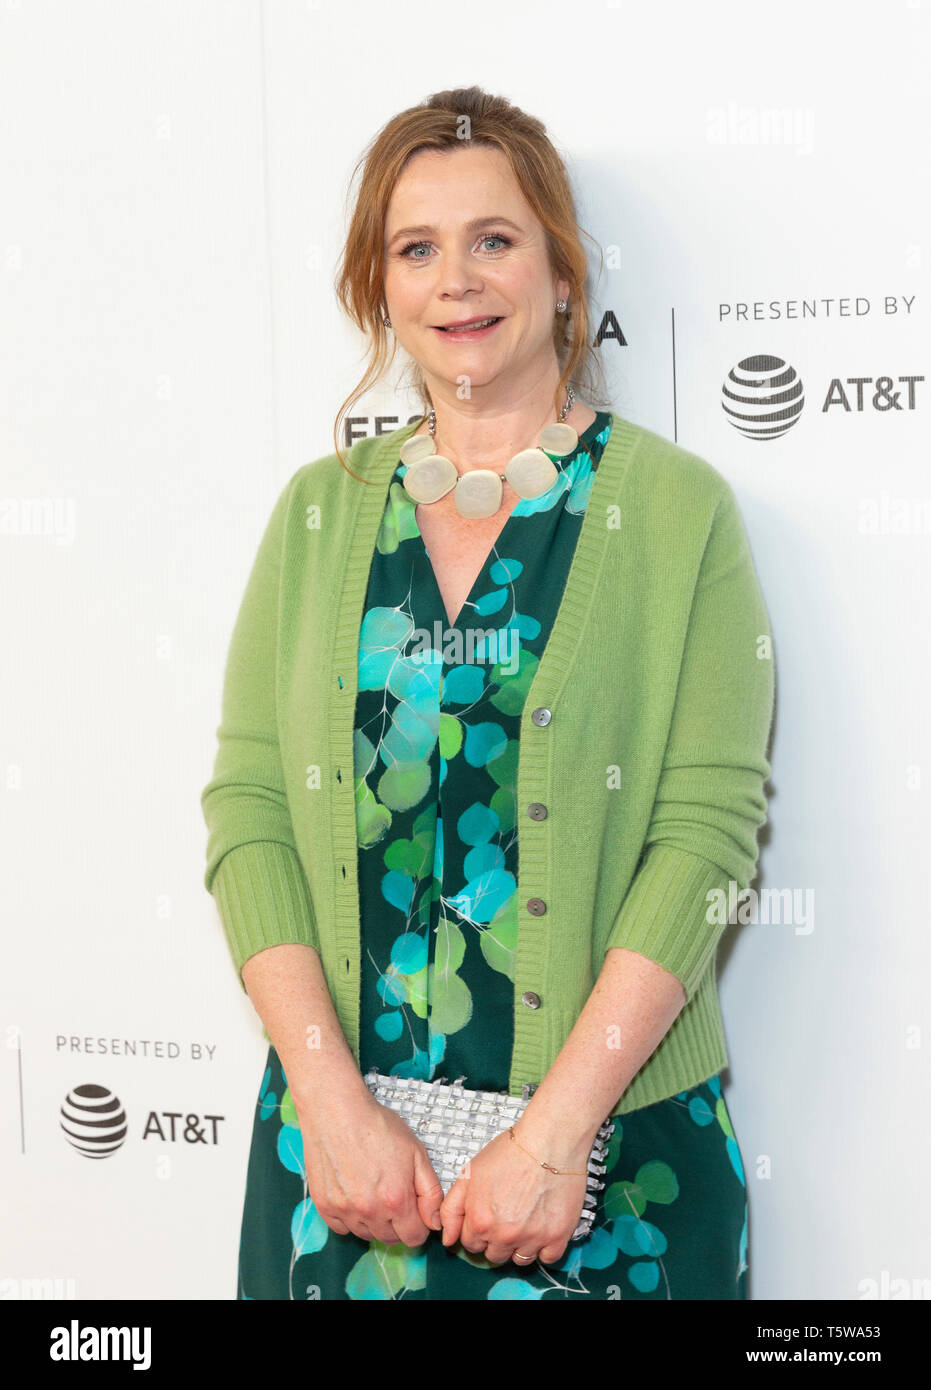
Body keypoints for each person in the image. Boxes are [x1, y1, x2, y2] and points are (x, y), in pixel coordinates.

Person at [200, 86, 775, 1301]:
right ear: (381, 287)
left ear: (562, 274)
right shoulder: (316, 515)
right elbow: (249, 814)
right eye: (417, 248)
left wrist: (554, 1136)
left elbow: (705, 837)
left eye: (494, 240)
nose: (456, 279)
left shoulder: (675, 514)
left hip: (610, 1173)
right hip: (348, 1175)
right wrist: (328, 1105)